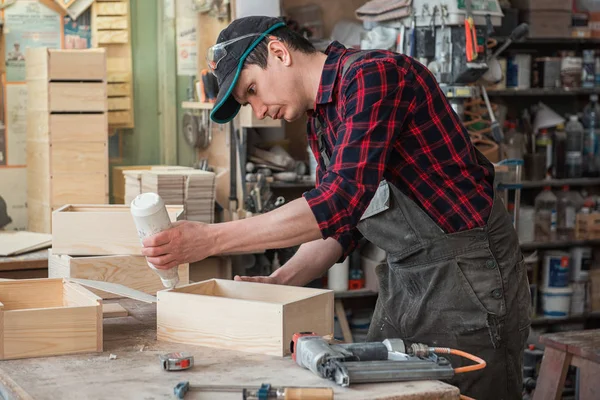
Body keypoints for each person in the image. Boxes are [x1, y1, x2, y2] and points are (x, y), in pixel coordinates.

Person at [141, 16, 531, 399]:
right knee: (381, 391)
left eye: (253, 90)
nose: (258, 110)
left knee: (463, 392)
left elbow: (337, 202)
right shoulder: (321, 121)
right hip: (407, 278)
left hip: (469, 274)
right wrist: (281, 281)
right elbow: (345, 225)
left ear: (279, 52)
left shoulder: (374, 76)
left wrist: (209, 240)